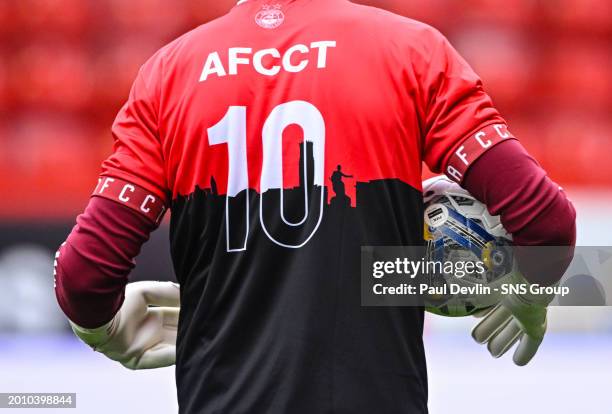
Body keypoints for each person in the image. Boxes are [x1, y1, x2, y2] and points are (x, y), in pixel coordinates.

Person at [54, 1, 576, 413]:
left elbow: (82, 279)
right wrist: (527, 294)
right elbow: (547, 222)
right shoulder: (412, 52)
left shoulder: (167, 75)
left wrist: (102, 328)